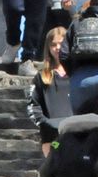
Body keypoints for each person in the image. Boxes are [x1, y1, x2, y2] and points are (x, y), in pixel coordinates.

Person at [27, 26, 72, 156]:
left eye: (61, 43)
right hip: (52, 137)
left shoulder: (77, 74)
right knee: (55, 168)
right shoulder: (42, 76)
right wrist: (46, 124)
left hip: (76, 134)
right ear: (48, 48)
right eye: (53, 45)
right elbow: (33, 105)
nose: (57, 48)